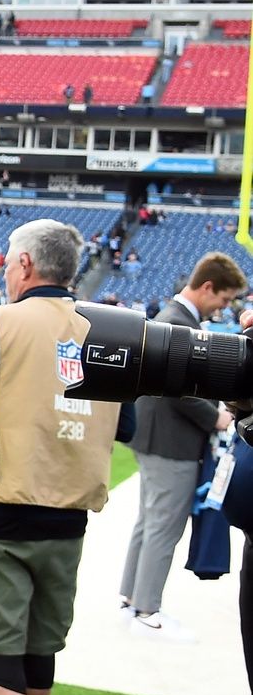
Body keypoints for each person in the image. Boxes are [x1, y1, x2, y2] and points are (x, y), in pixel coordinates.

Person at [0, 220, 133, 695]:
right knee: (40, 646)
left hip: (0, 514)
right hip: (68, 520)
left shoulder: (2, 323)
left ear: (25, 264)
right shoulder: (110, 332)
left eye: (7, 260)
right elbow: (126, 424)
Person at [119, 252, 244, 637]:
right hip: (170, 442)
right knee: (164, 526)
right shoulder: (178, 323)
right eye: (223, 299)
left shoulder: (173, 319)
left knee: (148, 521)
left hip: (156, 437)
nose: (224, 307)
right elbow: (176, 389)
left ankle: (131, 596)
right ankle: (146, 608)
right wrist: (215, 416)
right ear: (207, 287)